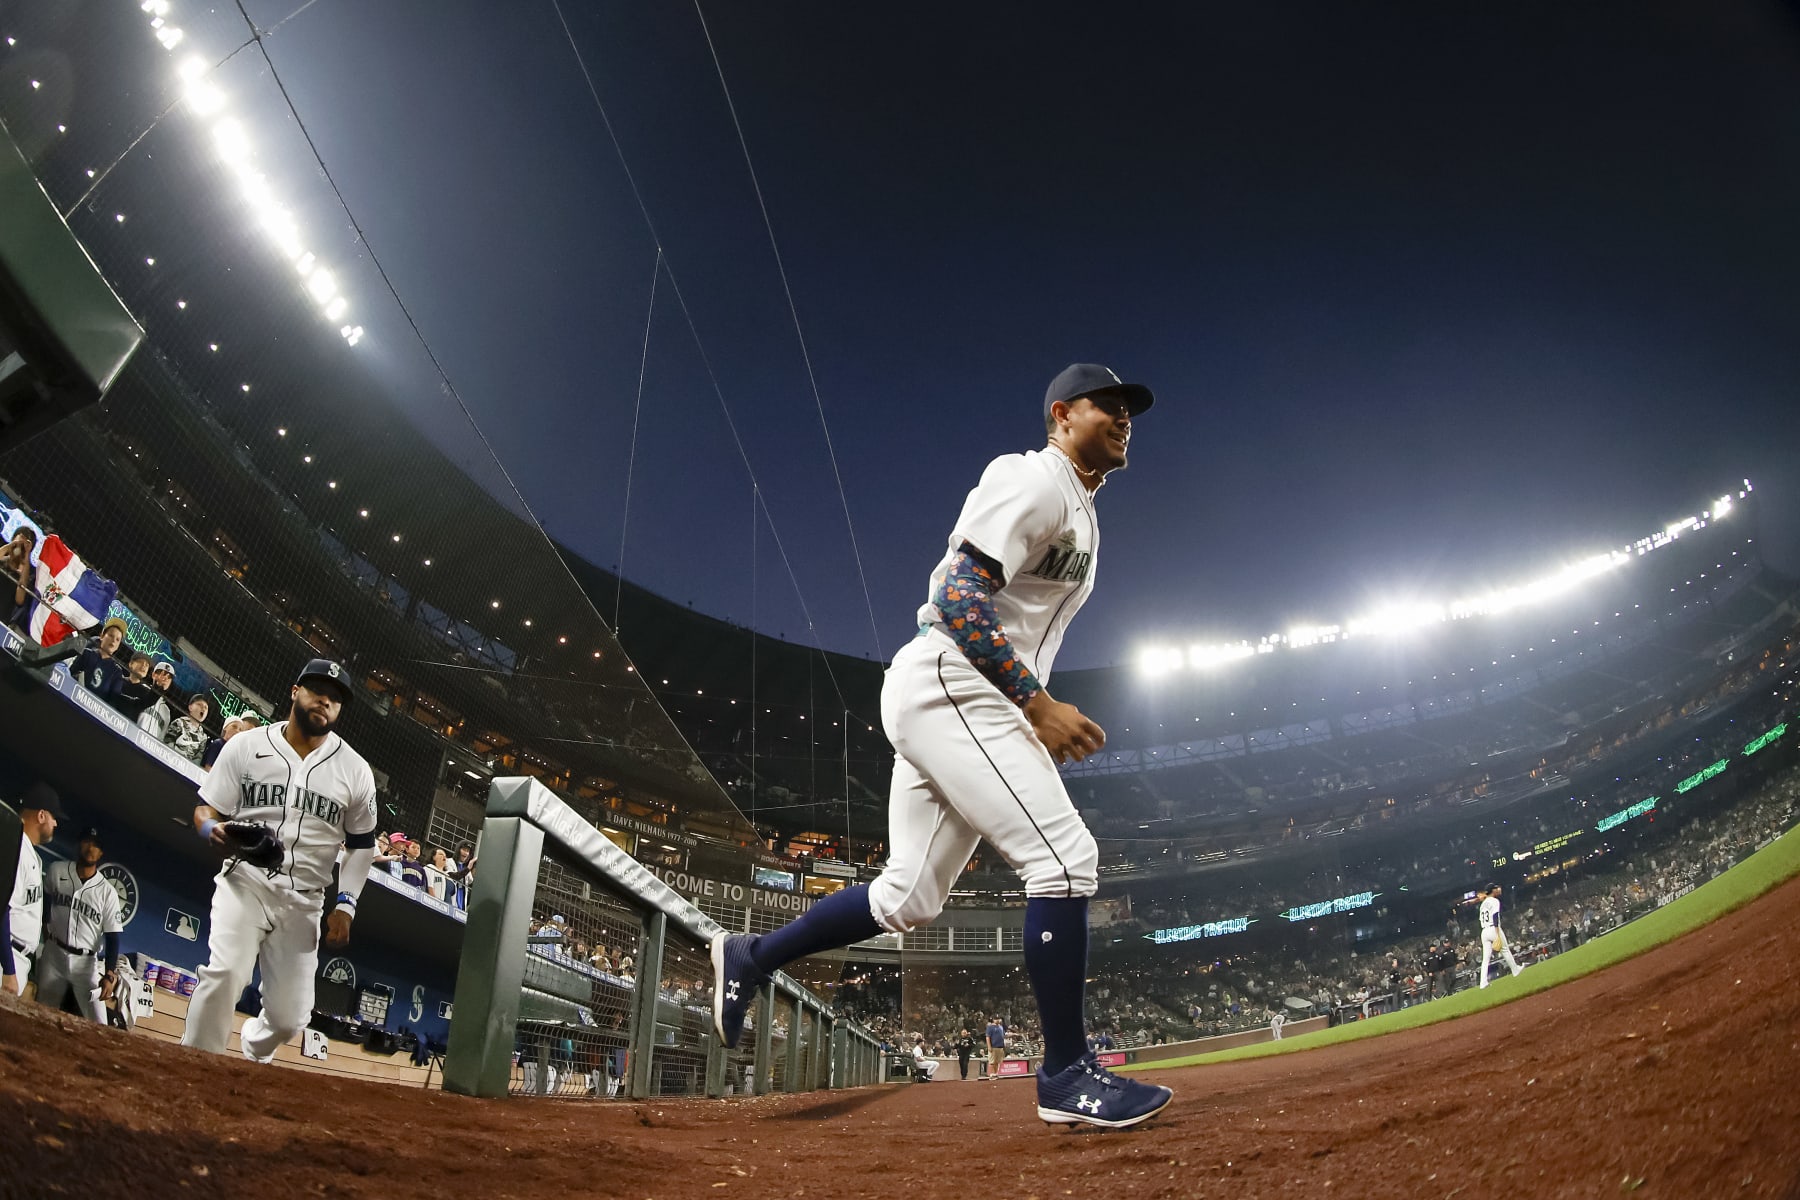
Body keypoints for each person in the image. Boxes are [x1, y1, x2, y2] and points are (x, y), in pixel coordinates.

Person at [708, 364, 1172, 1129]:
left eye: (1132, 411)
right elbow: (959, 598)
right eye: (1108, 406)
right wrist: (1037, 704)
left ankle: (750, 956)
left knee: (908, 897)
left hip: (962, 694)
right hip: (955, 682)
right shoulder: (1034, 479)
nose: (1125, 418)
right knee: (1063, 860)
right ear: (1062, 414)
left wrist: (1025, 710)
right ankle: (1065, 1075)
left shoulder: (1084, 511)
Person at [180, 658, 377, 1062]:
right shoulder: (245, 746)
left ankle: (254, 1045)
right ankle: (194, 1070)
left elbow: (362, 845)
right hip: (245, 880)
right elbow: (205, 810)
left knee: (290, 1020)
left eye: (336, 699)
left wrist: (347, 905)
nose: (325, 700)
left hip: (305, 899)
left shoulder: (355, 770)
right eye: (317, 690)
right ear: (294, 691)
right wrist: (208, 831)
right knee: (225, 975)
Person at [36, 827, 125, 1022]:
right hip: (54, 955)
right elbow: (44, 906)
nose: (91, 848)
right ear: (79, 844)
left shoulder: (107, 892)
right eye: (87, 842)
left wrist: (110, 973)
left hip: (85, 964)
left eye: (96, 846)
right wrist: (45, 933)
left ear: (101, 853)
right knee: (41, 1013)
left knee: (99, 1022)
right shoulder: (57, 870)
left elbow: (113, 936)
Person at [3, 783, 60, 996]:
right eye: (54, 817)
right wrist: (8, 970)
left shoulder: (30, 853)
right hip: (6, 958)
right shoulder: (16, 849)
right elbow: (2, 910)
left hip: (18, 959)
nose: (55, 823)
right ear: (42, 816)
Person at [69, 617, 128, 702]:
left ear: (118, 646)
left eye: (117, 639)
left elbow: (113, 702)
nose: (113, 641)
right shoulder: (86, 654)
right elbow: (70, 674)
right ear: (102, 636)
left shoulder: (116, 672)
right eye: (111, 635)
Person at [1477, 884, 1524, 988]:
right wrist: (1497, 932)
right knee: (1505, 950)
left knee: (1486, 958)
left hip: (1484, 931)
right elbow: (1495, 916)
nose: (1497, 889)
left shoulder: (1483, 904)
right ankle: (1515, 970)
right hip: (1493, 928)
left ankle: (1483, 982)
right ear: (1492, 890)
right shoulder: (1494, 901)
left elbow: (1480, 920)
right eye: (1495, 888)